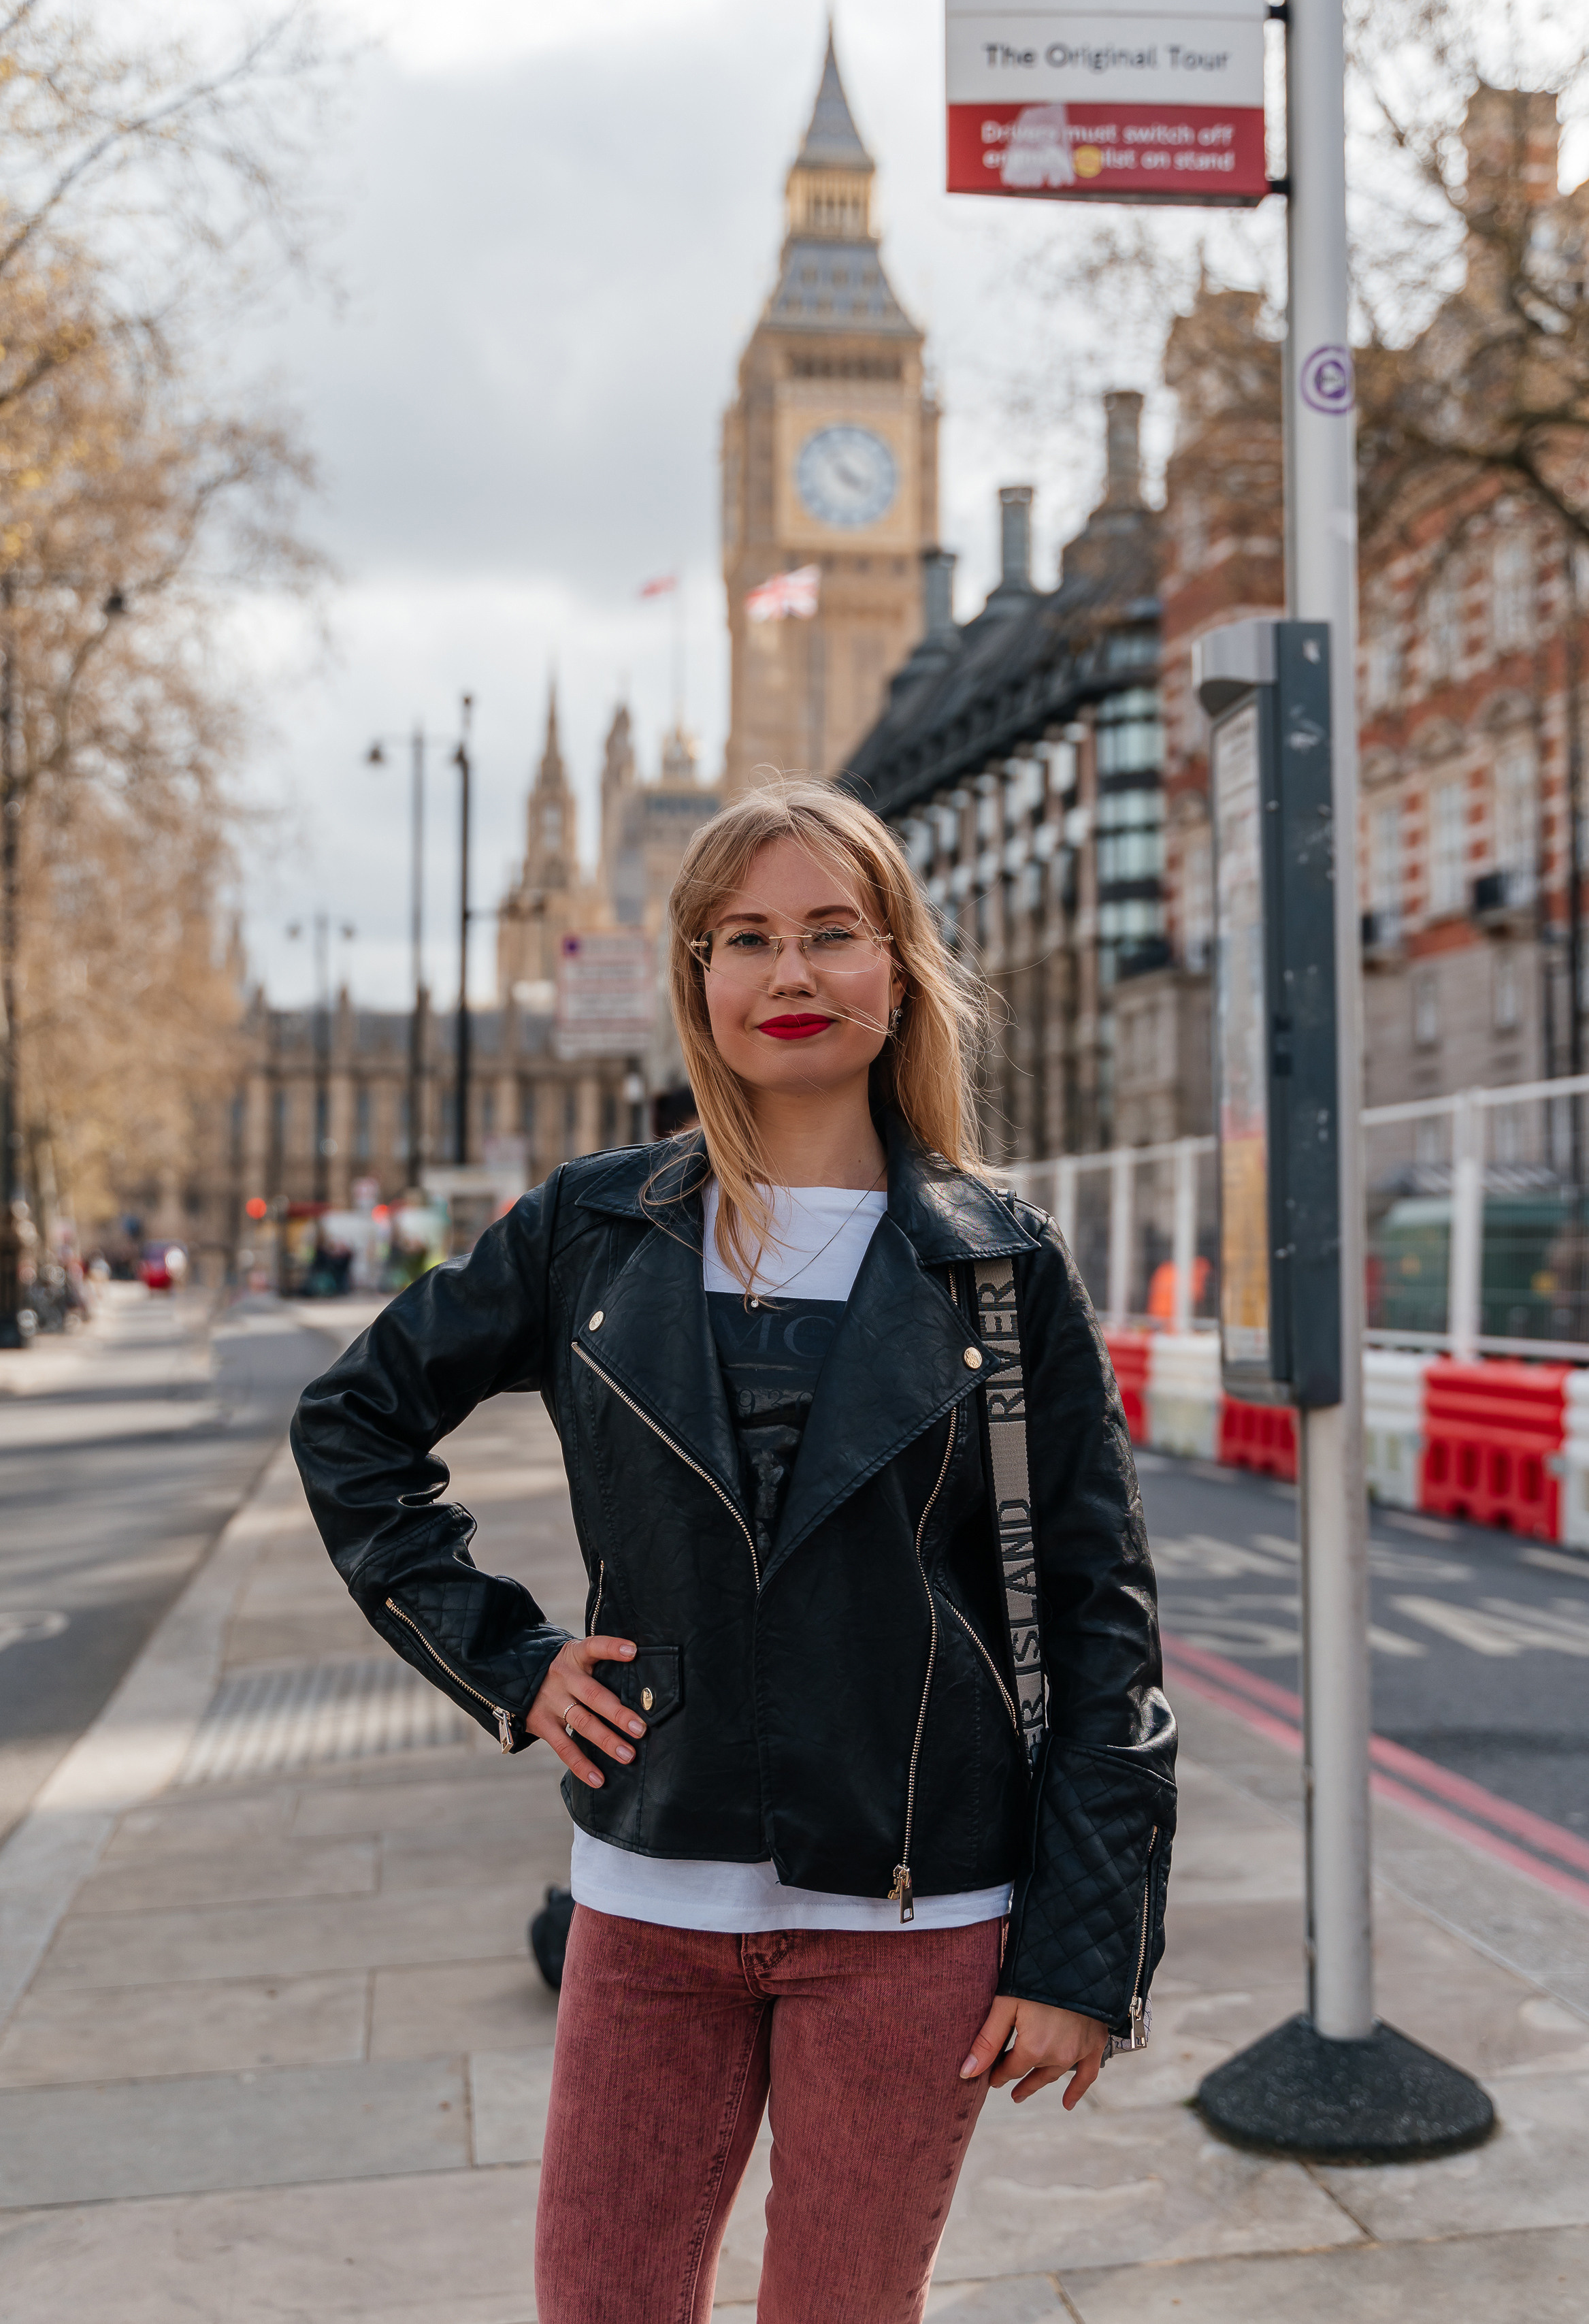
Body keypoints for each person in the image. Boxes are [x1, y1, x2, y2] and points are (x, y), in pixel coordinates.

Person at [291, 780, 1175, 2324]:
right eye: (746, 937)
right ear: (697, 975)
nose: (792, 975)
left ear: (897, 967)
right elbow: (354, 1423)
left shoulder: (999, 1261)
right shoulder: (594, 1226)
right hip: (648, 1900)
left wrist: (1086, 1948)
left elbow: (1100, 1620)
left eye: (833, 934)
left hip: (918, 1920)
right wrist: (506, 1662)